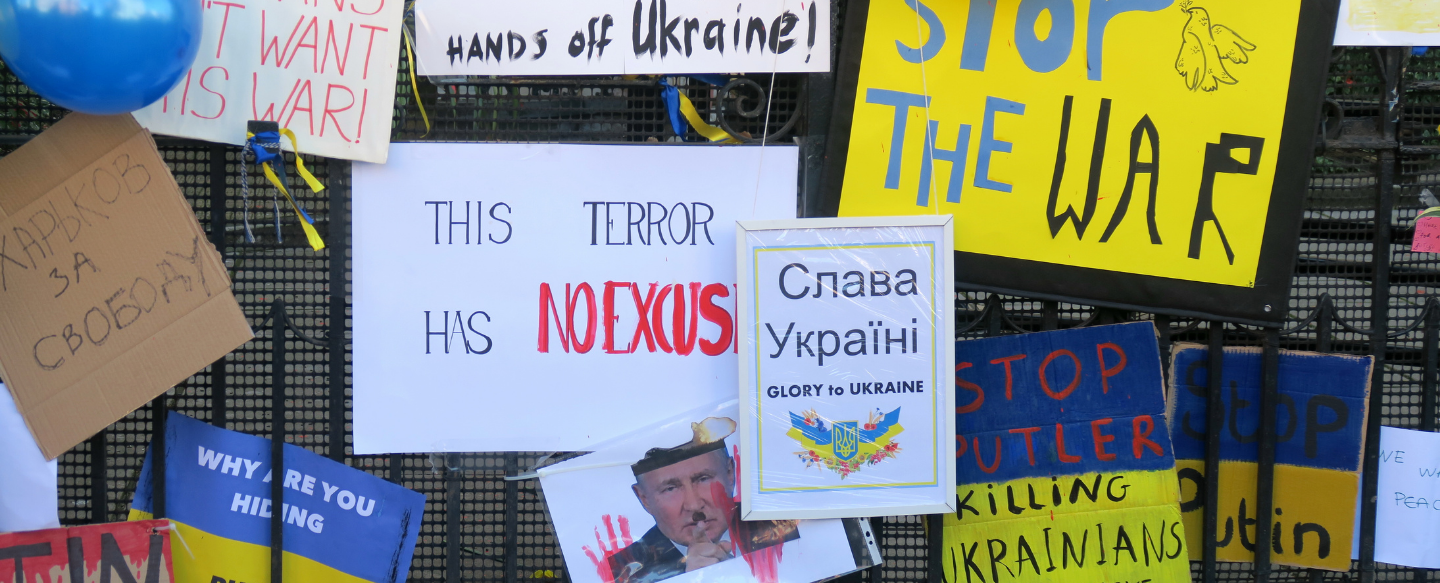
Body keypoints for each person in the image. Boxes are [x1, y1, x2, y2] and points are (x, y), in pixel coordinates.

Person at [607, 434, 798, 583]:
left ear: (730, 473)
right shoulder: (618, 572)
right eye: (670, 488)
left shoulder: (786, 525)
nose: (694, 505)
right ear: (644, 499)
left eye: (703, 479)